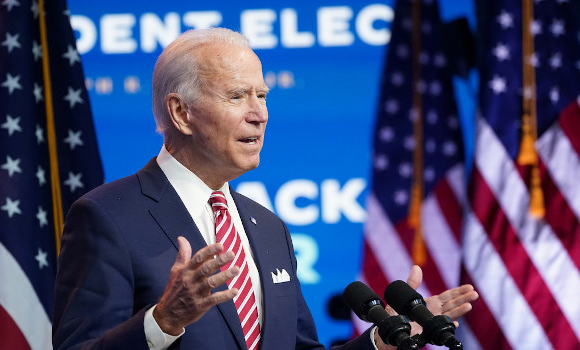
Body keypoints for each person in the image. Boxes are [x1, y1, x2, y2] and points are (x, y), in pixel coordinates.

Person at [52, 27, 478, 350]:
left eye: (263, 95)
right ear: (181, 113)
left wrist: (383, 339)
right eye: (237, 96)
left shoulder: (268, 228)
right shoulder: (107, 216)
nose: (260, 114)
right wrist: (161, 321)